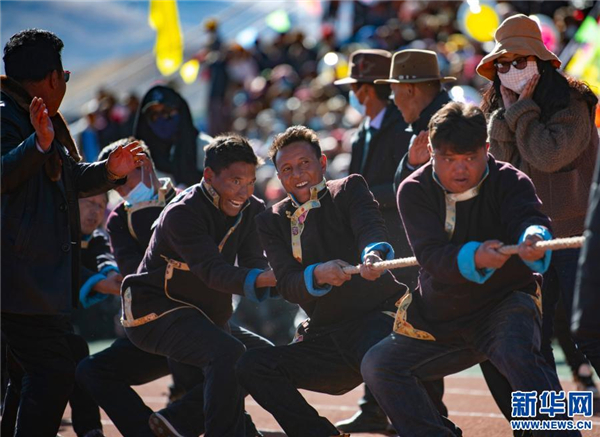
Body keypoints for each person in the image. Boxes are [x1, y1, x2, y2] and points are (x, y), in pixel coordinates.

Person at [361, 102, 579, 437]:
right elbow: (431, 256)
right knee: (378, 366)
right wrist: (475, 257)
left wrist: (534, 236)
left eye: (470, 158)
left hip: (504, 303)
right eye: (448, 159)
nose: (460, 170)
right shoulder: (414, 190)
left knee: (515, 350)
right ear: (431, 153)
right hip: (439, 318)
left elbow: (530, 220)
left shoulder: (510, 179)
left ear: (486, 149)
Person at [235, 126, 446, 437]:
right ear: (279, 176)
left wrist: (373, 255)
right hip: (324, 340)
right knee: (251, 365)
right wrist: (317, 274)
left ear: (322, 162)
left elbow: (370, 228)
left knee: (384, 355)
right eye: (287, 169)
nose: (298, 173)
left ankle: (439, 431)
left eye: (305, 163)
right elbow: (288, 284)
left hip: (377, 321)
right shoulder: (270, 221)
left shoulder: (349, 189)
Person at [1, 29, 142, 437]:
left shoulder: (36, 115)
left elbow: (70, 178)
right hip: (19, 278)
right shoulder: (7, 115)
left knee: (29, 374)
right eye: (63, 73)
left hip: (36, 280)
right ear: (51, 78)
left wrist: (110, 171)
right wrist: (38, 144)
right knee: (52, 373)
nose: (65, 80)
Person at [120, 134, 276, 437]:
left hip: (202, 314)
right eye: (234, 181)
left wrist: (298, 277)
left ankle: (179, 420)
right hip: (153, 313)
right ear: (208, 176)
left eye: (249, 182)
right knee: (229, 353)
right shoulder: (182, 213)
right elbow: (212, 272)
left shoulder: (252, 209)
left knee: (263, 357)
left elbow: (254, 263)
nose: (243, 192)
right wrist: (269, 277)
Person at [478, 13, 600, 374]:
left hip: (575, 239)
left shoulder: (573, 103)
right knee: (533, 338)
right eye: (502, 64)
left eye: (520, 61)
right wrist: (509, 114)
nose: (510, 69)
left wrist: (522, 112)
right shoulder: (504, 111)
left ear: (541, 63)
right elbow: (499, 164)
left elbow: (548, 155)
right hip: (528, 239)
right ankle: (551, 424)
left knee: (590, 334)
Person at [332, 49, 413, 433]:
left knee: (413, 325)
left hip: (402, 241)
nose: (354, 95)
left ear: (368, 90)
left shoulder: (403, 126)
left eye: (356, 88)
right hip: (369, 242)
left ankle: (426, 413)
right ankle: (374, 406)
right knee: (376, 324)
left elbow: (405, 185)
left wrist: (360, 199)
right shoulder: (363, 129)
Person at [372, 49, 455, 190]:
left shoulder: (453, 126)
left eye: (394, 90)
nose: (393, 100)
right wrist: (410, 164)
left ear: (409, 90)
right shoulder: (423, 126)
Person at [134, 85, 212, 187]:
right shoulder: (142, 162)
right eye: (154, 115)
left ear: (180, 110)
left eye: (166, 112)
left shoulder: (205, 148)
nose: (161, 119)